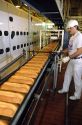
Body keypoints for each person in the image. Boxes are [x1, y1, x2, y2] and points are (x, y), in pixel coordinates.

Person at [58, 19, 82, 100]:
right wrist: (61, 51)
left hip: (78, 61)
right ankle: (65, 89)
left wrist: (68, 57)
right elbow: (69, 48)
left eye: (70, 28)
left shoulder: (80, 36)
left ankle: (77, 95)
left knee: (77, 78)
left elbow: (80, 51)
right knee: (67, 75)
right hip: (72, 60)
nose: (69, 30)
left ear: (75, 27)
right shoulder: (72, 37)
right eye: (68, 28)